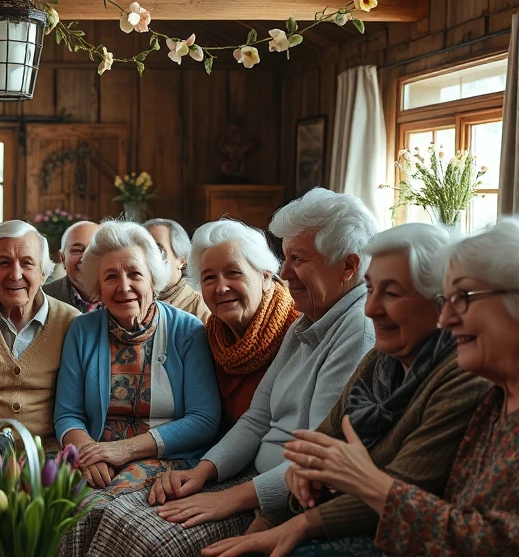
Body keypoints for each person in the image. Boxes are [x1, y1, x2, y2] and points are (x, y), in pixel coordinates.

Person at [82, 187, 378, 557]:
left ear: (348, 266)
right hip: (250, 478)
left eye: (297, 260)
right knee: (117, 516)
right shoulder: (306, 323)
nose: (285, 272)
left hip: (281, 495)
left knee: (153, 538)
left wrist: (231, 500)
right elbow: (257, 419)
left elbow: (317, 465)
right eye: (285, 259)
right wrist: (204, 472)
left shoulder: (355, 329)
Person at [201, 222, 490, 557]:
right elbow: (311, 459)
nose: (370, 309)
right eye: (370, 290)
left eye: (391, 293)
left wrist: (296, 522)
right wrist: (269, 521)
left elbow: (399, 492)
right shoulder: (379, 360)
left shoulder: (462, 374)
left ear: (440, 301)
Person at [268, 218, 519, 556]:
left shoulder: (470, 381)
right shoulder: (495, 400)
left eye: (461, 298)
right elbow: (314, 450)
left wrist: (364, 480)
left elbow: (488, 541)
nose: (447, 319)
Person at [54, 220, 221, 557]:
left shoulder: (188, 331)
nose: (124, 286)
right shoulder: (81, 331)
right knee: (44, 508)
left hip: (165, 457)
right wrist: (88, 453)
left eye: (135, 274)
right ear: (98, 287)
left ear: (153, 279)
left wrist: (123, 451)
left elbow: (204, 419)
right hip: (95, 457)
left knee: (107, 515)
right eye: (111, 277)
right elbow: (67, 415)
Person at [0, 220, 81, 453]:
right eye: (4, 263)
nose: (15, 274)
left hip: (49, 457)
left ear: (43, 272)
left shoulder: (71, 322)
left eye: (27, 263)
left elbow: (80, 406)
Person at [186, 219, 300, 432]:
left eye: (233, 273)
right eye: (209, 278)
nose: (221, 288)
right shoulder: (206, 340)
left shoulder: (298, 333)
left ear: (266, 277)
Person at [145, 218, 210, 323]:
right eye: (144, 250)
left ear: (182, 260)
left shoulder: (199, 305)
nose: (150, 259)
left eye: (158, 250)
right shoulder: (132, 301)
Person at [44, 220, 101, 313]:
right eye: (77, 250)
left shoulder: (122, 294)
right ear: (62, 258)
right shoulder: (44, 298)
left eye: (94, 249)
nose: (85, 257)